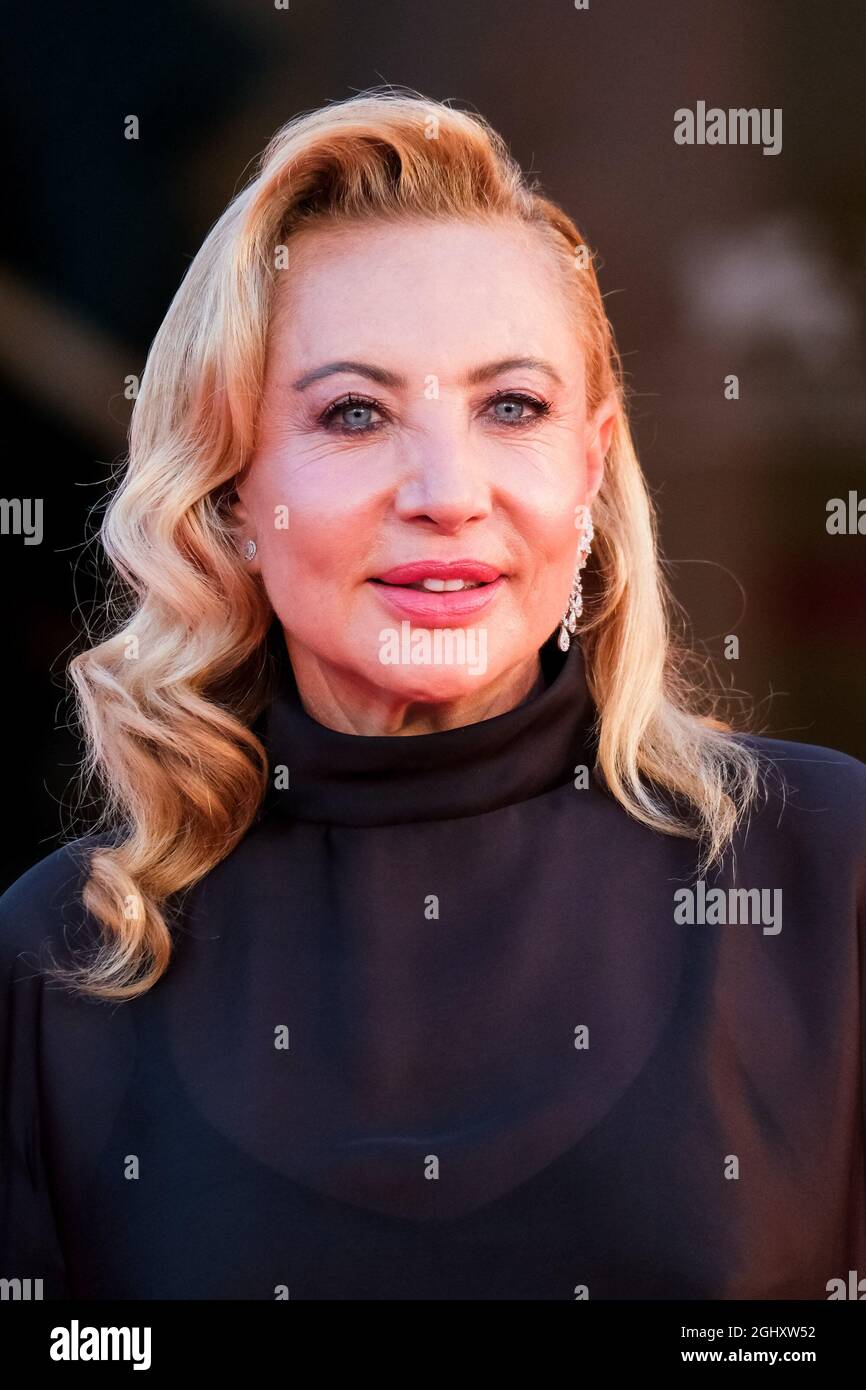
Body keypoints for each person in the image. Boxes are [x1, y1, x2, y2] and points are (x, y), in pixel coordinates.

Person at [1, 86, 864, 1302]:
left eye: (511, 406)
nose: (446, 490)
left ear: (589, 463)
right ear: (232, 490)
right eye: (354, 412)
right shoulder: (63, 961)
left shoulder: (825, 870)